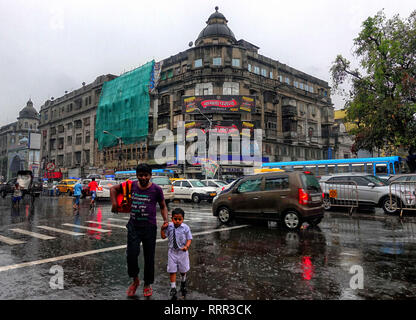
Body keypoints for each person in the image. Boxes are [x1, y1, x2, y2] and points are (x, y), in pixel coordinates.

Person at [110, 163, 169, 298]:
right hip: (134, 227)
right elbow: (113, 189)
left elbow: (163, 206)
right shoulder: (131, 186)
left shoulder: (156, 190)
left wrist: (166, 221)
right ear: (137, 175)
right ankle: (135, 280)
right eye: (140, 175)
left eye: (145, 175)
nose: (143, 178)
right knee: (131, 255)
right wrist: (114, 203)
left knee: (149, 258)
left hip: (149, 228)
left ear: (150, 176)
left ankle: (147, 283)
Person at [161, 208, 192, 300]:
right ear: (172, 218)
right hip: (172, 252)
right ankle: (173, 287)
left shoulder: (185, 228)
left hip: (182, 252)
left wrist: (186, 246)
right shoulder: (169, 227)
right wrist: (162, 229)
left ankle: (183, 280)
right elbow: (163, 237)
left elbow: (189, 238)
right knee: (172, 270)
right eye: (175, 219)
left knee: (183, 270)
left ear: (183, 219)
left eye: (179, 219)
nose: (177, 221)